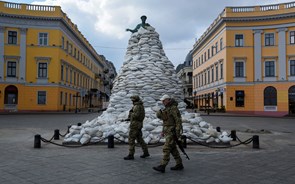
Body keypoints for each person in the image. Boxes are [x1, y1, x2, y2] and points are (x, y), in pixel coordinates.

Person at [153, 94, 184, 173]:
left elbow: (178, 121)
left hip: (172, 132)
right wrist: (163, 131)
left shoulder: (173, 108)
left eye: (164, 100)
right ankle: (179, 164)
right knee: (173, 149)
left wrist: (177, 133)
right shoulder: (167, 108)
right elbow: (166, 121)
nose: (163, 102)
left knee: (166, 148)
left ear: (168, 100)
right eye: (162, 101)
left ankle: (163, 165)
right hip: (168, 131)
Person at [124, 95, 150, 160]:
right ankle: (146, 152)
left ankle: (131, 154)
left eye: (132, 100)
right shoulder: (140, 106)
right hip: (138, 124)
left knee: (131, 139)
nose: (132, 101)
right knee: (139, 139)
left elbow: (136, 115)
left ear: (135, 100)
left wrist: (131, 113)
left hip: (135, 125)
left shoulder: (137, 106)